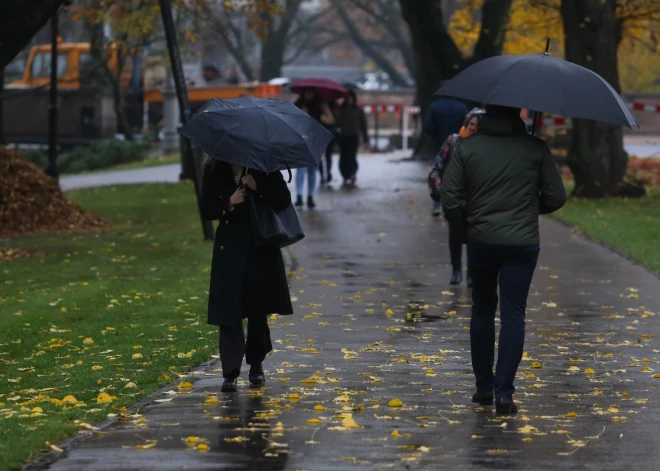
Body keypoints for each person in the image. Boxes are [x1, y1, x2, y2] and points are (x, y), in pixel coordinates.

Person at [440, 104, 566, 414]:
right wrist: (526, 209)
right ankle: (504, 392)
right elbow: (556, 197)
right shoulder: (535, 148)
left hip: (481, 241)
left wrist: (464, 229)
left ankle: (483, 387)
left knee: (482, 308)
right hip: (521, 245)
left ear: (486, 115)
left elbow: (449, 196)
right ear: (517, 114)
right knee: (514, 314)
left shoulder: (468, 147)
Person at [201, 158, 294, 392]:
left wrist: (257, 186)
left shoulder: (264, 167)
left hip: (259, 246)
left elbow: (283, 200)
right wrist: (228, 202)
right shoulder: (214, 170)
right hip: (229, 248)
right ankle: (230, 372)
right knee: (228, 311)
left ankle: (256, 364)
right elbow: (206, 209)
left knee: (257, 309)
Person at [429, 108, 485, 286]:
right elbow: (437, 168)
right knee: (455, 234)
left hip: (476, 200)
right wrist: (438, 190)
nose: (473, 128)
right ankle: (456, 270)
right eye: (471, 124)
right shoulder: (453, 141)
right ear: (466, 123)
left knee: (474, 237)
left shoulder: (486, 147)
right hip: (453, 198)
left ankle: (471, 274)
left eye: (477, 125)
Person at [294, 88, 335, 207]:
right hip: (302, 140)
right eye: (306, 92)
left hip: (316, 141)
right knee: (301, 170)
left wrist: (322, 114)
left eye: (311, 92)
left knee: (313, 170)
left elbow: (331, 120)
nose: (308, 94)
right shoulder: (298, 105)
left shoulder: (320, 105)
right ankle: (299, 196)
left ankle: (310, 196)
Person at [423, 81, 469, 157]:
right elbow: (467, 126)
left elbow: (428, 127)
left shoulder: (434, 106)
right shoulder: (462, 107)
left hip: (438, 143)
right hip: (457, 143)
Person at [335, 90, 368, 186]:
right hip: (343, 137)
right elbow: (337, 122)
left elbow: (363, 125)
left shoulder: (358, 110)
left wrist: (365, 138)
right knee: (344, 157)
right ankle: (345, 175)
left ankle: (353, 173)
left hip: (354, 136)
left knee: (352, 156)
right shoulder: (341, 110)